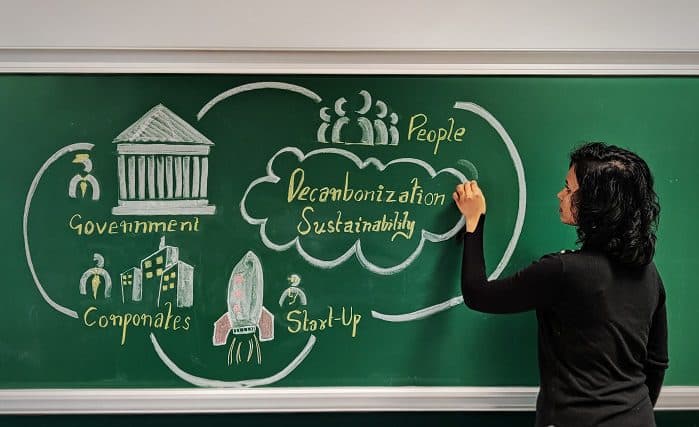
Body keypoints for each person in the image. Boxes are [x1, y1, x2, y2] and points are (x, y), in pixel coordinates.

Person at [454, 142, 668, 427]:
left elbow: (477, 294)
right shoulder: (649, 273)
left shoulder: (564, 270)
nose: (560, 194)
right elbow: (656, 362)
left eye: (569, 189)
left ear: (595, 202)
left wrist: (474, 219)